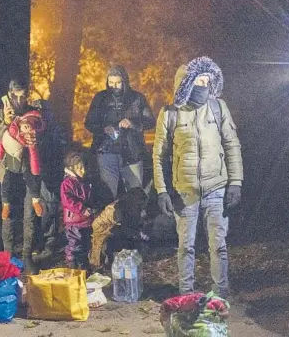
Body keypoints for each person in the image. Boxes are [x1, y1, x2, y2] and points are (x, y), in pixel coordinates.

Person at [152, 56, 243, 299]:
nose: (204, 85)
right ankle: (186, 296)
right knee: (186, 247)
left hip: (216, 188)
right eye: (199, 80)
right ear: (186, 82)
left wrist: (235, 182)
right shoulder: (170, 113)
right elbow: (159, 155)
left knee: (219, 245)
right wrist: (161, 191)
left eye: (207, 80)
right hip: (185, 191)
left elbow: (232, 144)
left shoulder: (218, 107)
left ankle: (221, 294)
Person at [0, 78, 66, 273]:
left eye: (23, 96)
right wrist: (6, 124)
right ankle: (8, 256)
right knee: (8, 214)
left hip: (29, 173)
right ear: (9, 95)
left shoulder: (33, 113)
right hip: (8, 170)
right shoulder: (0, 112)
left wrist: (35, 135)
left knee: (30, 215)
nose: (20, 101)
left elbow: (46, 136)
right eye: (16, 97)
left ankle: (26, 256)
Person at [84, 65, 155, 203]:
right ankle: (109, 222)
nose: (114, 86)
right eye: (111, 83)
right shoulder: (100, 98)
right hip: (106, 152)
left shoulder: (137, 98)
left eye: (118, 83)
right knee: (108, 193)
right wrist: (103, 128)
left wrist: (133, 124)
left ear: (125, 82)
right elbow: (89, 123)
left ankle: (133, 222)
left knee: (135, 194)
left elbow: (150, 122)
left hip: (132, 153)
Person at [0, 110, 46, 220]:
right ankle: (6, 204)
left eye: (30, 126)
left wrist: (35, 170)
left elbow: (33, 156)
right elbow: (1, 143)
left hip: (24, 166)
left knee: (32, 180)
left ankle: (35, 200)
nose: (27, 127)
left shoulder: (30, 140)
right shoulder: (10, 132)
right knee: (6, 183)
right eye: (25, 124)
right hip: (10, 164)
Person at [89, 187, 148, 270]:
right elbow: (125, 227)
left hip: (116, 226)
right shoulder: (117, 210)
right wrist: (137, 235)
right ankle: (101, 261)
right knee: (104, 245)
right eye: (140, 204)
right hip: (103, 228)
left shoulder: (131, 207)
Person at [61, 151, 94, 270]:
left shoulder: (84, 181)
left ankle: (83, 265)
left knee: (85, 244)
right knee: (74, 244)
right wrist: (82, 209)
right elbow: (68, 201)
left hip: (85, 220)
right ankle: (72, 263)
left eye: (83, 167)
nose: (83, 171)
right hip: (74, 221)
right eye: (79, 168)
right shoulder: (67, 183)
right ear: (71, 168)